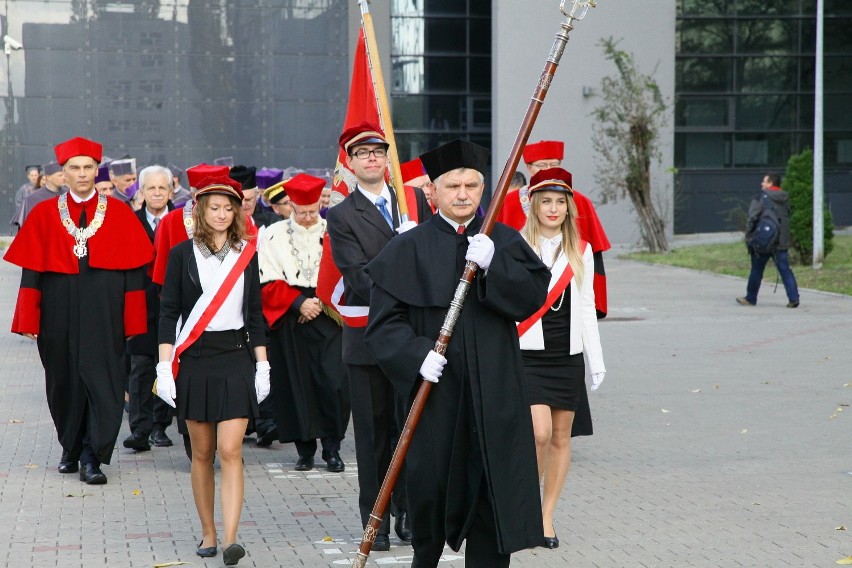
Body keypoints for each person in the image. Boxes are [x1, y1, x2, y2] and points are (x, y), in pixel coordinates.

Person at [363, 138, 550, 568]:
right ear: (433, 191)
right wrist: (415, 356)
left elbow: (530, 296)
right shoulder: (407, 248)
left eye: (471, 185)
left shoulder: (500, 241)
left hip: (493, 394)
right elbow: (383, 326)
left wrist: (495, 266)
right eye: (453, 186)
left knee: (491, 498)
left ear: (483, 189)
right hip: (436, 395)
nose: (463, 194)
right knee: (429, 495)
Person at [4, 136, 153, 484]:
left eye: (88, 167)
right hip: (58, 312)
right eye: (75, 168)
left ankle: (92, 455)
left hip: (105, 312)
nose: (82, 174)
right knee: (62, 382)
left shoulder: (118, 213)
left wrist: (133, 322)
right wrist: (27, 317)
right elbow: (31, 271)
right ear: (63, 172)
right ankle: (70, 446)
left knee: (103, 382)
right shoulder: (42, 213)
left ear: (96, 170)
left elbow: (134, 275)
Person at [326, 121, 433, 550]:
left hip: (411, 340)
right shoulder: (341, 215)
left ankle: (408, 511)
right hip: (368, 342)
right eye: (363, 153)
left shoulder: (416, 208)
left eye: (378, 151)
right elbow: (357, 277)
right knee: (372, 437)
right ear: (350, 164)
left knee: (409, 430)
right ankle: (377, 520)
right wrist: (401, 257)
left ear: (387, 159)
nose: (372, 158)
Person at [156, 170, 268, 565]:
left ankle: (232, 538)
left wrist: (263, 365)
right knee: (201, 453)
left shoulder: (247, 253)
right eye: (214, 208)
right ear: (200, 211)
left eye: (228, 209)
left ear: (237, 213)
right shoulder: (181, 255)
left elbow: (255, 314)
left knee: (230, 448)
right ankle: (208, 532)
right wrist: (164, 366)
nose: (221, 214)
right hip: (195, 360)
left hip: (236, 357)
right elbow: (168, 311)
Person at [517, 167, 606, 549]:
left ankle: (545, 517)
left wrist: (596, 360)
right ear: (534, 204)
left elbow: (586, 309)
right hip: (528, 354)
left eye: (560, 202)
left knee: (561, 440)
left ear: (569, 207)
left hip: (566, 358)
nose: (553, 208)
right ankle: (522, 508)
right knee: (539, 434)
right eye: (546, 201)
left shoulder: (581, 249)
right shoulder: (517, 245)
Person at [259, 173, 350, 471]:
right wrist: (298, 303)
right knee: (297, 385)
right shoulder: (271, 235)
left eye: (314, 211)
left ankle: (332, 448)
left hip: (330, 315)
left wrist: (321, 302)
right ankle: (305, 450)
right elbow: (266, 281)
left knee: (333, 383)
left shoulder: (335, 230)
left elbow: (345, 275)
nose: (309, 217)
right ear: (291, 208)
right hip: (292, 317)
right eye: (302, 212)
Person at [496, 140, 611, 318]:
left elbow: (593, 256)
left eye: (554, 164)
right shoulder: (508, 202)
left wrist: (594, 302)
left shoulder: (579, 201)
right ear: (528, 168)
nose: (548, 170)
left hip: (568, 291)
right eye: (542, 165)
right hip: (522, 293)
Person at [123, 166, 176, 452]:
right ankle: (139, 430)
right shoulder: (129, 222)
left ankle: (160, 426)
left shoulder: (183, 222)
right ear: (141, 192)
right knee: (140, 367)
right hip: (140, 306)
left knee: (165, 365)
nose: (156, 193)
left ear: (171, 191)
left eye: (162, 188)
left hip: (172, 306)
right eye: (151, 188)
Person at [737, 173, 800, 308]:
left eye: (764, 181)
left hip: (763, 241)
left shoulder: (762, 197)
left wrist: (748, 235)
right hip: (780, 241)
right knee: (785, 270)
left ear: (771, 183)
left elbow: (752, 217)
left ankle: (750, 298)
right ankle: (794, 298)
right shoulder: (786, 198)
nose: (762, 184)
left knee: (756, 270)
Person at [18, 161, 68, 225]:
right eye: (60, 175)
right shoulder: (32, 198)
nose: (64, 177)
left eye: (64, 175)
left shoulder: (69, 194)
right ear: (48, 177)